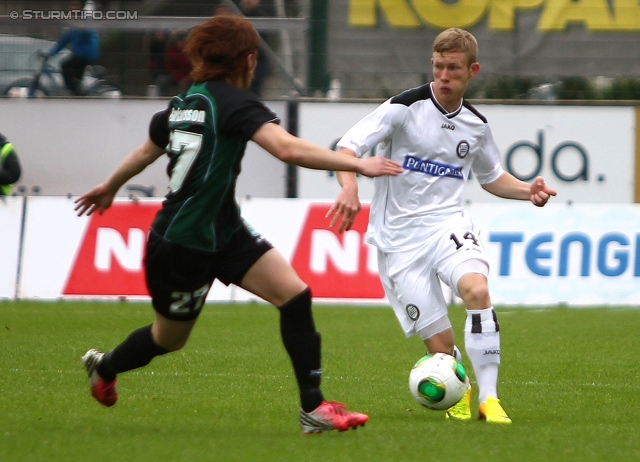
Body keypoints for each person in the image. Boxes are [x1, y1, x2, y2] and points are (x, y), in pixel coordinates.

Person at [74, 14, 403, 434]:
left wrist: (109, 186)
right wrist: (357, 163)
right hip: (184, 242)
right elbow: (285, 148)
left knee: (295, 295)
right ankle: (105, 366)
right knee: (168, 339)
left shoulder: (183, 103)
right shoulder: (233, 102)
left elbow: (144, 152)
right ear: (248, 59)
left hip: (222, 230)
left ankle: (313, 409)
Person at [327, 28, 557, 425]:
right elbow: (347, 149)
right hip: (399, 243)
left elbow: (491, 176)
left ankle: (490, 399)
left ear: (472, 70)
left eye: (453, 68)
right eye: (438, 67)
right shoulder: (403, 108)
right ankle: (461, 394)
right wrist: (349, 188)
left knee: (476, 288)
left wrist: (527, 191)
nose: (444, 76)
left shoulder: (476, 125)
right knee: (441, 349)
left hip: (447, 225)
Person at [46, 1, 99, 95]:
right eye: (72, 5)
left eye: (76, 6)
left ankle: (72, 91)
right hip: (78, 54)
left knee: (65, 65)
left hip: (86, 54)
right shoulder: (72, 22)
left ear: (81, 7)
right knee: (75, 77)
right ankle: (77, 93)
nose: (73, 8)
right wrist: (50, 53)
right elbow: (63, 41)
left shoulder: (85, 18)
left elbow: (88, 32)